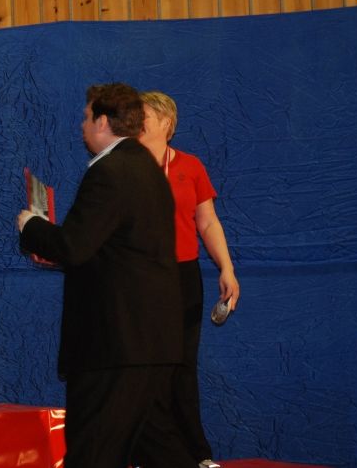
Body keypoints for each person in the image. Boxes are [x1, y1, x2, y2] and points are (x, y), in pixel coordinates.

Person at [17, 83, 195, 468]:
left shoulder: (110, 171)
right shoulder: (147, 169)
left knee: (93, 451)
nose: (82, 125)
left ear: (102, 121)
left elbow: (74, 246)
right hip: (149, 342)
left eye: (86, 117)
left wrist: (31, 226)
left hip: (115, 343)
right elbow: (110, 249)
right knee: (159, 448)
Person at [137, 90, 240, 468]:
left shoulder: (190, 166)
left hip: (182, 277)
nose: (136, 122)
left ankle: (197, 454)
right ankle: (149, 454)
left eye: (144, 116)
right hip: (139, 279)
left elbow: (207, 222)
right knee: (145, 368)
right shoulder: (123, 166)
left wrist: (226, 268)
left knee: (182, 367)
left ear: (166, 122)